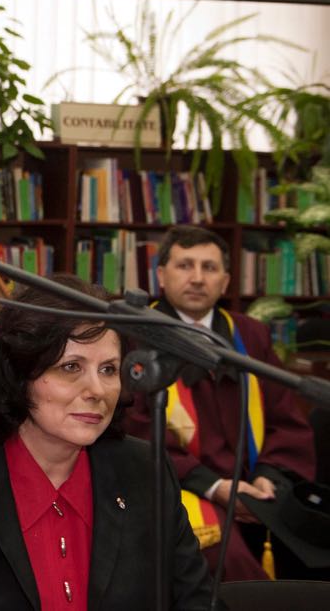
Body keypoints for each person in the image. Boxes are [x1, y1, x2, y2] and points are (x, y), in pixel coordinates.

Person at [0, 274, 212, 610]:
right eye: (71, 367)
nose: (97, 390)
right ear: (19, 374)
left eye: (108, 370)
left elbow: (196, 601)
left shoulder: (143, 470)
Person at [126, 225, 316, 581]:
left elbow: (285, 420)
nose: (197, 278)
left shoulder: (249, 335)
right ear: (161, 275)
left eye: (209, 268)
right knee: (229, 561)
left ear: (226, 281)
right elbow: (134, 432)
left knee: (312, 547)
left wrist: (269, 479)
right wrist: (214, 486)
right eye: (185, 265)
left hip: (256, 486)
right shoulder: (135, 334)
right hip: (181, 485)